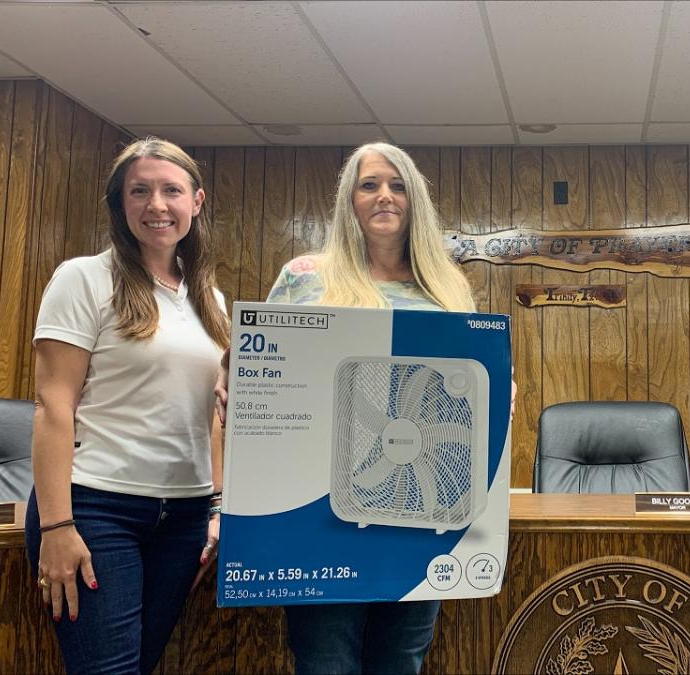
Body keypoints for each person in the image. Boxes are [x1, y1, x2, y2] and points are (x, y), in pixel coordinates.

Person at [219, 142, 475, 674]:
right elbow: (263, 373)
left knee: (401, 659)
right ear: (349, 201)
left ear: (415, 200)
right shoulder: (306, 277)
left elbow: (464, 391)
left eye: (397, 185)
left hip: (420, 510)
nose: (384, 195)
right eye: (369, 184)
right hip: (320, 508)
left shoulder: (447, 286)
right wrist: (235, 382)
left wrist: (503, 390)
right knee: (324, 659)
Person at [27, 137, 229, 674]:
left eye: (171, 190)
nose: (156, 205)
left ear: (197, 201)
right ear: (120, 204)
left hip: (183, 516)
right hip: (96, 508)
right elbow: (53, 406)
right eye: (139, 191)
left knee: (142, 665)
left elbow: (212, 415)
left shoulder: (209, 299)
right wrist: (55, 527)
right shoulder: (84, 278)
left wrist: (215, 507)